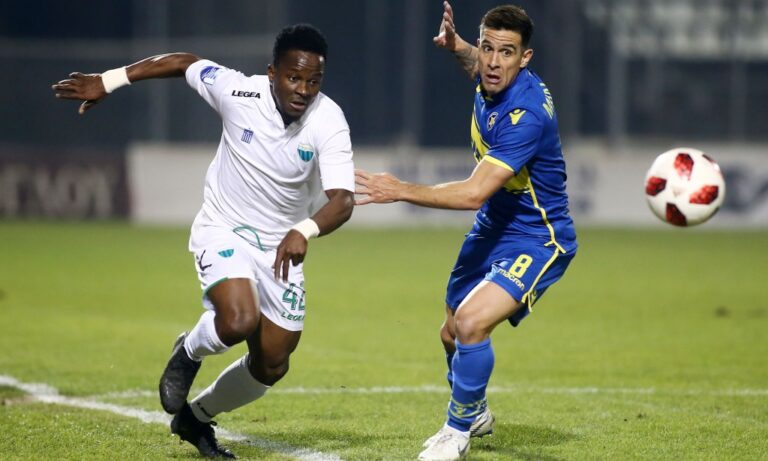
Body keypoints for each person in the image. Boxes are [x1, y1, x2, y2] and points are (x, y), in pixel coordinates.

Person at [53, 24, 354, 459]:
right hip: (224, 227)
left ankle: (195, 419)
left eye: (314, 80)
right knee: (238, 320)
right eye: (294, 77)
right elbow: (184, 63)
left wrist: (304, 230)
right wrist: (108, 80)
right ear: (272, 73)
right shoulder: (237, 91)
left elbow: (343, 200)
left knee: (273, 363)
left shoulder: (329, 119)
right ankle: (189, 352)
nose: (304, 90)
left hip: (280, 247)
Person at [356, 3, 578, 460]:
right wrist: (458, 46)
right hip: (495, 224)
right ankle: (474, 413)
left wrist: (400, 189)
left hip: (539, 236)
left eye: (507, 52)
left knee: (472, 323)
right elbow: (477, 64)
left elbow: (474, 192)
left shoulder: (525, 115)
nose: (493, 62)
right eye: (487, 48)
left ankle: (455, 433)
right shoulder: (492, 73)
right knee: (451, 333)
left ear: (525, 58)